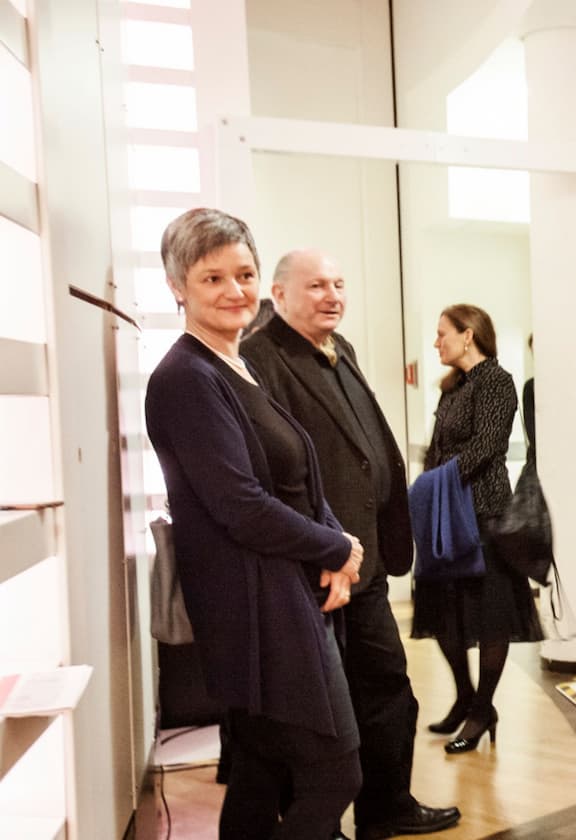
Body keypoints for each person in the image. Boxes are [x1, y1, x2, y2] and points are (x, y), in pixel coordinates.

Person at [145, 208, 363, 838]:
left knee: (262, 768)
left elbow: (291, 476)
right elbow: (239, 503)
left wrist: (333, 551)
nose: (235, 291)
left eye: (244, 273)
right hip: (257, 607)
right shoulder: (185, 377)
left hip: (282, 591)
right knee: (334, 773)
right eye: (212, 278)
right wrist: (337, 546)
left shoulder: (233, 364)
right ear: (177, 287)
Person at [240, 249, 462, 838]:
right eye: (316, 286)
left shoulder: (344, 351)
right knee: (318, 714)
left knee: (387, 689)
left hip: (363, 564)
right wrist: (322, 550)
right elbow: (276, 474)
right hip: (315, 569)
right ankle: (319, 823)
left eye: (339, 284)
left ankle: (387, 806)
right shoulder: (261, 358)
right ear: (280, 296)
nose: (332, 295)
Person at [409, 304, 543, 754]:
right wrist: (427, 494)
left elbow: (488, 446)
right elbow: (438, 448)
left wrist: (433, 483)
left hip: (484, 514)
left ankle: (483, 708)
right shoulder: (452, 387)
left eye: (442, 334)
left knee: (491, 617)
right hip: (445, 515)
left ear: (469, 336)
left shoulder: (497, 382)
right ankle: (465, 697)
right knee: (445, 614)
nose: (436, 343)